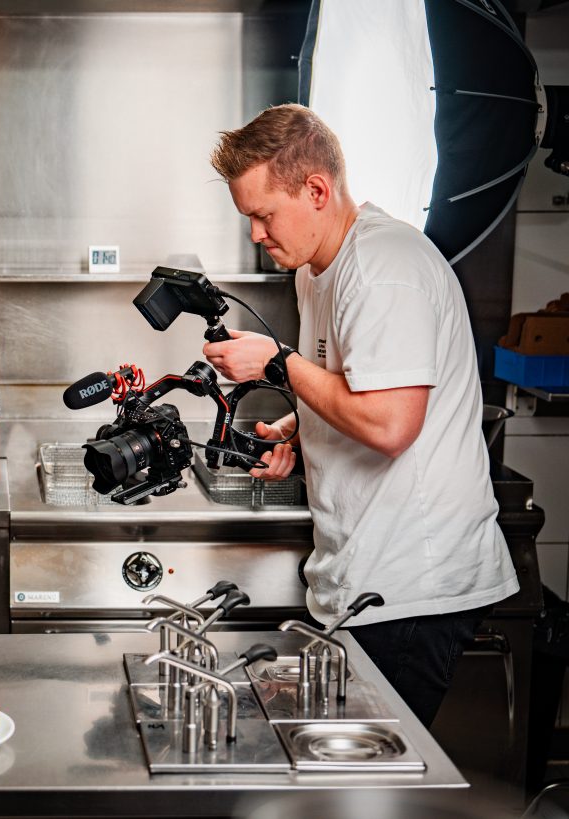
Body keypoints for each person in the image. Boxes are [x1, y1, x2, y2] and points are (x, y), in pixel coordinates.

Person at [203, 104, 519, 726]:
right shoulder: (316, 269)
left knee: (365, 771)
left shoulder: (384, 267)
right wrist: (298, 427)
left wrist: (277, 362)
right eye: (248, 219)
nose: (256, 234)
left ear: (316, 191)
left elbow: (391, 425)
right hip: (362, 575)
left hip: (409, 585)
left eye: (264, 215)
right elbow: (354, 386)